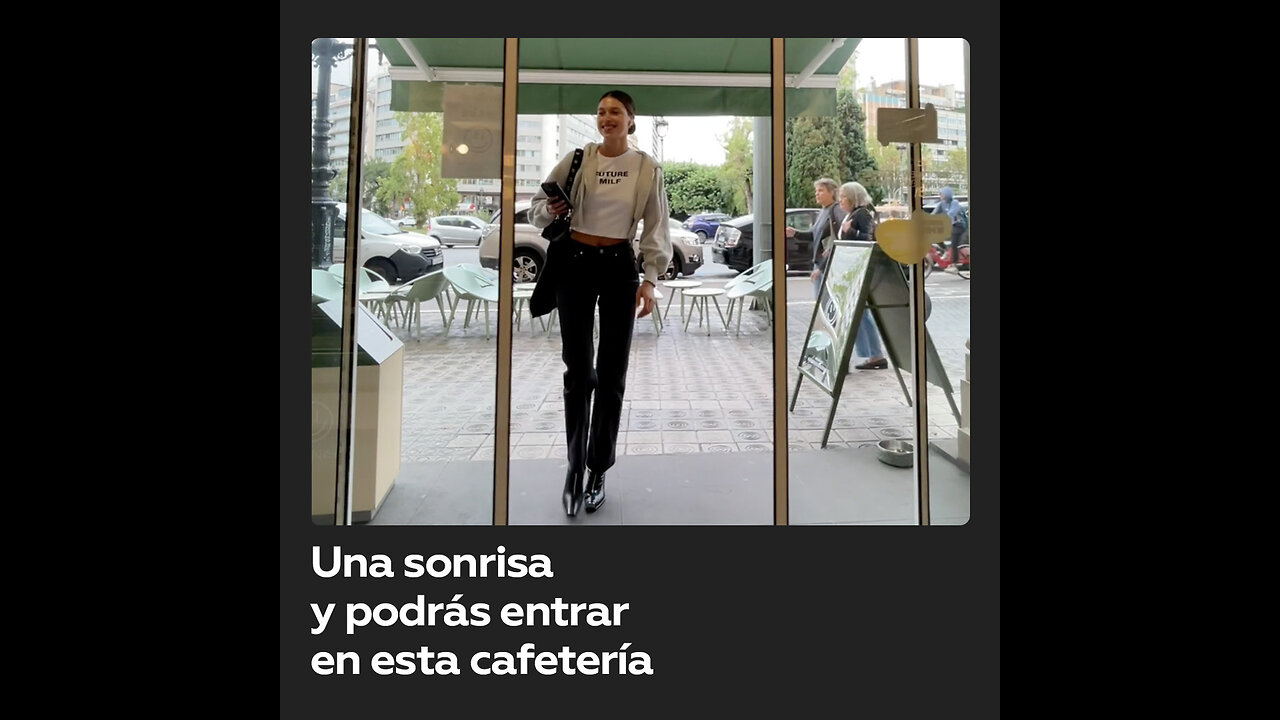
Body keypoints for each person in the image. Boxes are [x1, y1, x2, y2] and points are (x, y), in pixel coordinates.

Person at [528, 90, 673, 518]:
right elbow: (537, 208)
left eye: (616, 112)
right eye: (601, 112)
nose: (606, 118)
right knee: (578, 369)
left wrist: (649, 280)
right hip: (574, 262)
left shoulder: (646, 168)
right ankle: (574, 467)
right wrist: (552, 210)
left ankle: (598, 468)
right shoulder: (577, 158)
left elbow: (656, 225)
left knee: (611, 373)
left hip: (618, 267)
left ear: (631, 121)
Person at [835, 180, 888, 370]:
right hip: (851, 270)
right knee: (859, 314)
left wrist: (852, 231)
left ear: (853, 198)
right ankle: (871, 355)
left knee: (860, 314)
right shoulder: (852, 213)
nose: (840, 201)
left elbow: (868, 239)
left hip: (859, 270)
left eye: (843, 197)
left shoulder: (862, 214)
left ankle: (874, 355)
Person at [785, 177, 844, 299]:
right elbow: (814, 235)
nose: (816, 193)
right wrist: (795, 233)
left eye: (821, 190)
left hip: (828, 264)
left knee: (828, 301)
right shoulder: (822, 212)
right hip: (819, 263)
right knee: (822, 301)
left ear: (832, 192)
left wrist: (821, 267)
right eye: (816, 190)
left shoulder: (836, 211)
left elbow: (838, 241)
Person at [931, 186, 968, 257]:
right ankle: (946, 250)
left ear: (947, 194)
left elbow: (950, 214)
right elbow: (933, 214)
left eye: (942, 194)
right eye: (940, 194)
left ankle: (954, 264)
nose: (940, 196)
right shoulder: (941, 204)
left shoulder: (955, 203)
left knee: (954, 242)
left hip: (959, 225)